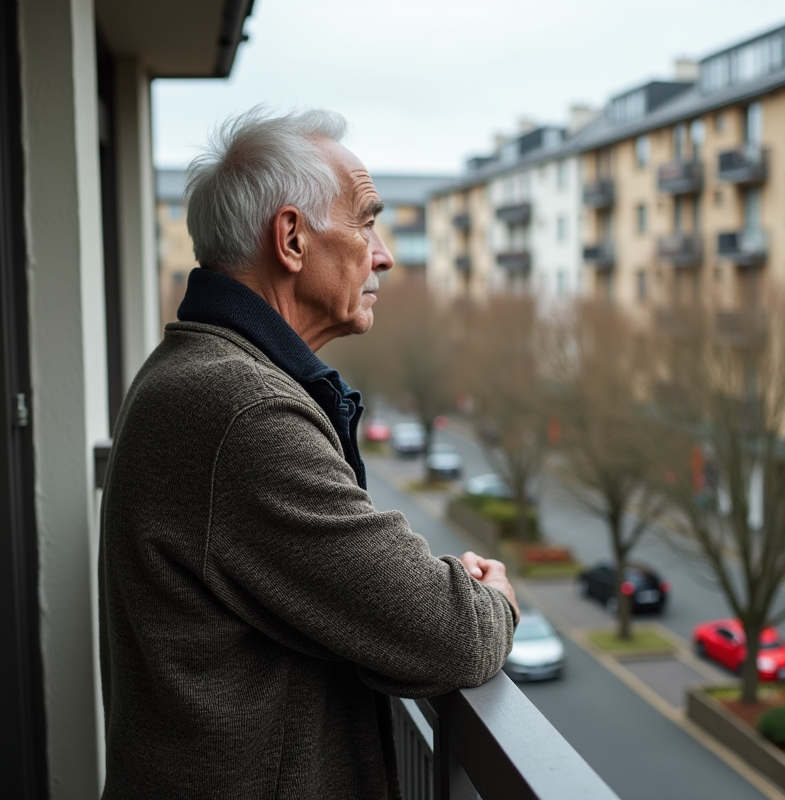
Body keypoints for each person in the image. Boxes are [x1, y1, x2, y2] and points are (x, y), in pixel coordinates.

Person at [98, 109, 518, 799]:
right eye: (367, 221)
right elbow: (449, 635)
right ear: (291, 239)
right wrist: (492, 597)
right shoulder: (241, 411)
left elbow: (345, 593)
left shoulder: (194, 368)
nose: (383, 254)